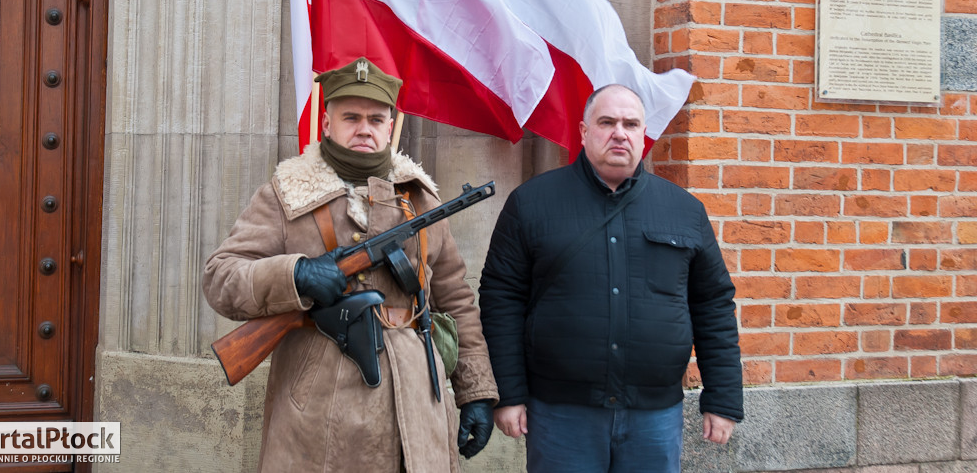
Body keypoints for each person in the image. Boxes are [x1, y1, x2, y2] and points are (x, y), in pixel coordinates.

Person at [203, 57, 498, 473]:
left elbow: (456, 300)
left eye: (376, 119)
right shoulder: (286, 194)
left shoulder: (420, 199)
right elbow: (221, 276)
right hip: (320, 415)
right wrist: (297, 274)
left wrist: (475, 391)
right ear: (327, 124)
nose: (364, 128)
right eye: (351, 117)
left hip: (418, 411)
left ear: (390, 125)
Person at [479, 84, 743, 472]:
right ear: (585, 132)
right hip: (561, 415)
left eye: (631, 124)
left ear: (643, 134)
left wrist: (722, 398)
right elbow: (500, 300)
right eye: (607, 122)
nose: (620, 132)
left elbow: (713, 306)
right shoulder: (532, 203)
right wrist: (508, 393)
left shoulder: (684, 211)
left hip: (654, 416)